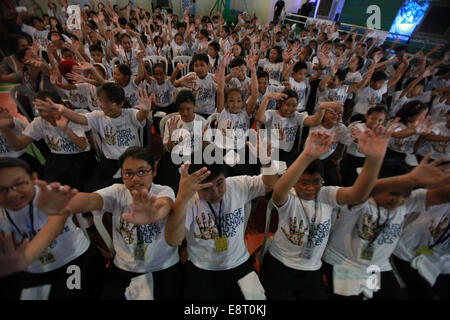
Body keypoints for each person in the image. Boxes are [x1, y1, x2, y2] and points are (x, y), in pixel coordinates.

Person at [261, 121, 394, 300]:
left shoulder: (326, 194)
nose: (310, 188)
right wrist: (307, 154)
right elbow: (278, 192)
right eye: (304, 183)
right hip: (280, 264)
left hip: (313, 269)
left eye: (316, 181)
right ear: (295, 182)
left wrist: (374, 160)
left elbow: (357, 195)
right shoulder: (289, 195)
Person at [52, 147, 182, 300]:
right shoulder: (117, 192)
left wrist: (155, 214)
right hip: (124, 267)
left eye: (142, 172)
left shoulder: (163, 191)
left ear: (153, 170)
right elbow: (89, 200)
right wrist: (63, 201)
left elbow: (164, 204)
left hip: (162, 266)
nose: (135, 179)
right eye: (128, 174)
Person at [322, 155, 450, 300]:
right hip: (344, 264)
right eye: (393, 193)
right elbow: (366, 190)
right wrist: (410, 179)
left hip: (376, 266)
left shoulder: (405, 203)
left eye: (405, 195)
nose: (399, 200)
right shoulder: (360, 200)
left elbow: (439, 196)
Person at [164, 142, 278, 299]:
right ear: (196, 186)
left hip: (239, 263)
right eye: (206, 188)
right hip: (201, 267)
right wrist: (181, 198)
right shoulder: (190, 199)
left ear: (225, 177)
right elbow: (172, 240)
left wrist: (267, 162)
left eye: (219, 183)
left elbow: (269, 184)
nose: (215, 193)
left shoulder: (237, 185)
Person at [0, 157, 105, 300]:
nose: (12, 193)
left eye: (18, 184)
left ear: (34, 179)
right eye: (2, 189)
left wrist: (23, 260)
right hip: (33, 270)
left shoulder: (49, 194)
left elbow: (57, 222)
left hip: (72, 259)